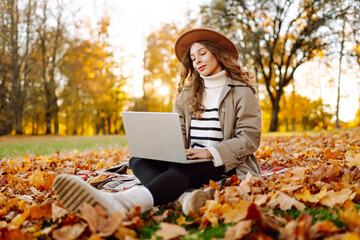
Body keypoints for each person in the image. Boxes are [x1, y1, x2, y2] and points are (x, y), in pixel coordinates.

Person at [53, 28, 262, 217]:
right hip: (190, 159)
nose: (197, 60)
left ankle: (123, 204)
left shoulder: (242, 92)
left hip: (224, 163)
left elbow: (249, 138)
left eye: (203, 53)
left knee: (178, 173)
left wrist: (209, 153)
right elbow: (177, 131)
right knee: (138, 161)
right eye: (192, 57)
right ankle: (184, 198)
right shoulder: (187, 94)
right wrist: (170, 152)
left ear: (217, 53)